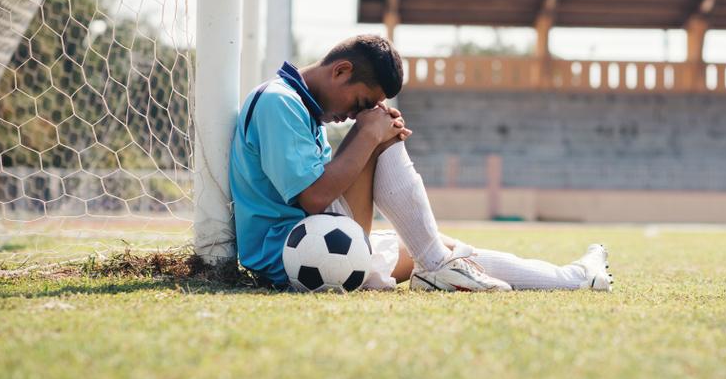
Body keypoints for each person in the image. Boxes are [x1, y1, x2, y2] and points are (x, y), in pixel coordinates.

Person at [229, 34, 612, 292]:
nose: (351, 115)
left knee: (454, 250)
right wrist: (369, 134)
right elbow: (313, 199)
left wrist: (371, 129)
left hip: (315, 245)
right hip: (290, 254)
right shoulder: (279, 102)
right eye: (359, 102)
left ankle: (575, 278)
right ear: (341, 70)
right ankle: (435, 266)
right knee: (381, 132)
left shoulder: (298, 106)